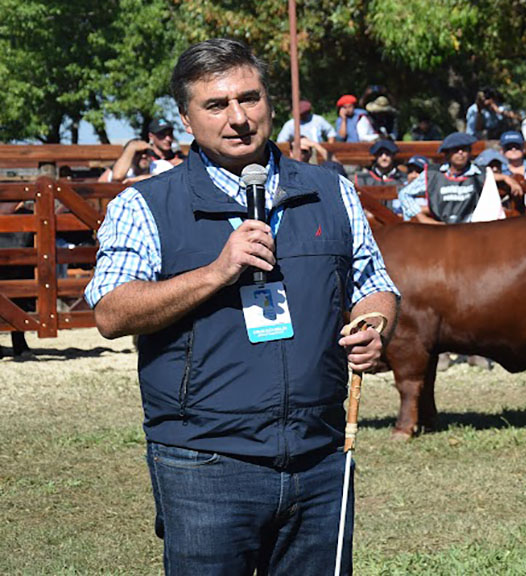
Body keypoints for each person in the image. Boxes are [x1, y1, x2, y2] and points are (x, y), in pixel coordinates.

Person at [85, 38, 399, 575]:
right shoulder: (144, 204)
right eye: (216, 105)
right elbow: (112, 312)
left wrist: (375, 326)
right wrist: (216, 272)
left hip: (320, 454)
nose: (238, 118)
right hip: (204, 461)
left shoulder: (331, 191)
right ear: (186, 119)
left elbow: (375, 284)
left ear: (270, 104)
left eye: (249, 99)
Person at [398, 132, 522, 224]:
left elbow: (488, 175)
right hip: (439, 232)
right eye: (456, 150)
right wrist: (420, 216)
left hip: (470, 233)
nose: (461, 153)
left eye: (465, 149)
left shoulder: (480, 173)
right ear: (447, 154)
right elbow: (404, 194)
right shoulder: (432, 174)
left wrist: (507, 178)